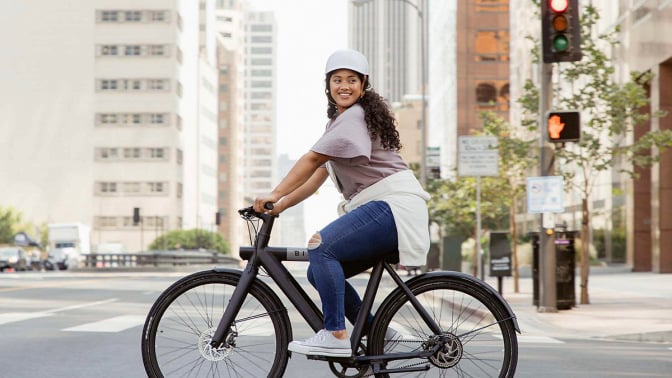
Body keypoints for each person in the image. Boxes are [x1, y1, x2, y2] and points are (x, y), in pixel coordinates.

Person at [253, 49, 430, 358]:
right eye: (337, 80)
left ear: (363, 85)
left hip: (393, 206)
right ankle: (378, 332)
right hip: (387, 207)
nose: (344, 86)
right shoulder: (341, 123)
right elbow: (319, 174)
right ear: (328, 85)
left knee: (322, 246)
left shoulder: (354, 117)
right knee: (317, 270)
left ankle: (335, 333)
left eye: (352, 80)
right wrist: (280, 205)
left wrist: (274, 192)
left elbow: (313, 159)